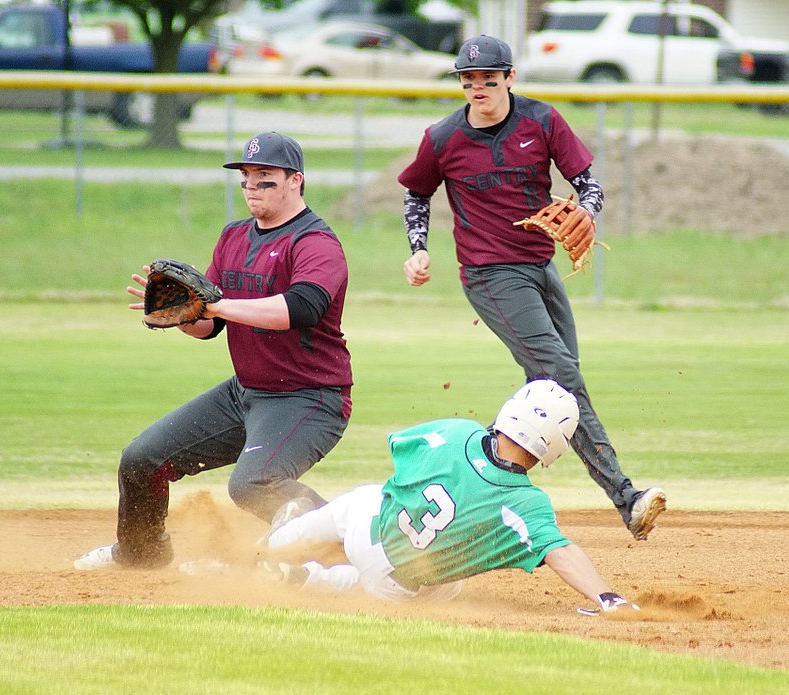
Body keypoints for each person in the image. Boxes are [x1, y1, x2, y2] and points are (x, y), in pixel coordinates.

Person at [396, 34, 665, 540]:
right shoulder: (443, 138)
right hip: (489, 274)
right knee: (560, 376)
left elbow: (588, 182)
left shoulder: (541, 121)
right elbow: (416, 192)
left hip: (540, 270)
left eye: (489, 79)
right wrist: (418, 247)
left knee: (553, 385)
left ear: (510, 78)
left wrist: (586, 210)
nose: (478, 87)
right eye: (469, 79)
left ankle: (482, 483)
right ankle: (625, 496)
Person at [75, 132, 353, 570]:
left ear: (296, 180)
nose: (251, 187)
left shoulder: (315, 242)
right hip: (245, 392)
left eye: (265, 177)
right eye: (246, 177)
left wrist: (214, 305)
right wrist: (181, 315)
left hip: (310, 396)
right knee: (142, 460)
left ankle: (356, 548)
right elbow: (210, 326)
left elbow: (300, 307)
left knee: (254, 484)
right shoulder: (234, 237)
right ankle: (140, 555)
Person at [260, 380, 640, 615]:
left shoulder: (458, 432)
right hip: (395, 584)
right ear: (556, 445)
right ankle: (308, 579)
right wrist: (606, 596)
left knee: (364, 498)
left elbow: (400, 447)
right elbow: (561, 552)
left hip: (368, 530)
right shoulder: (526, 505)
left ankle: (275, 545)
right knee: (442, 586)